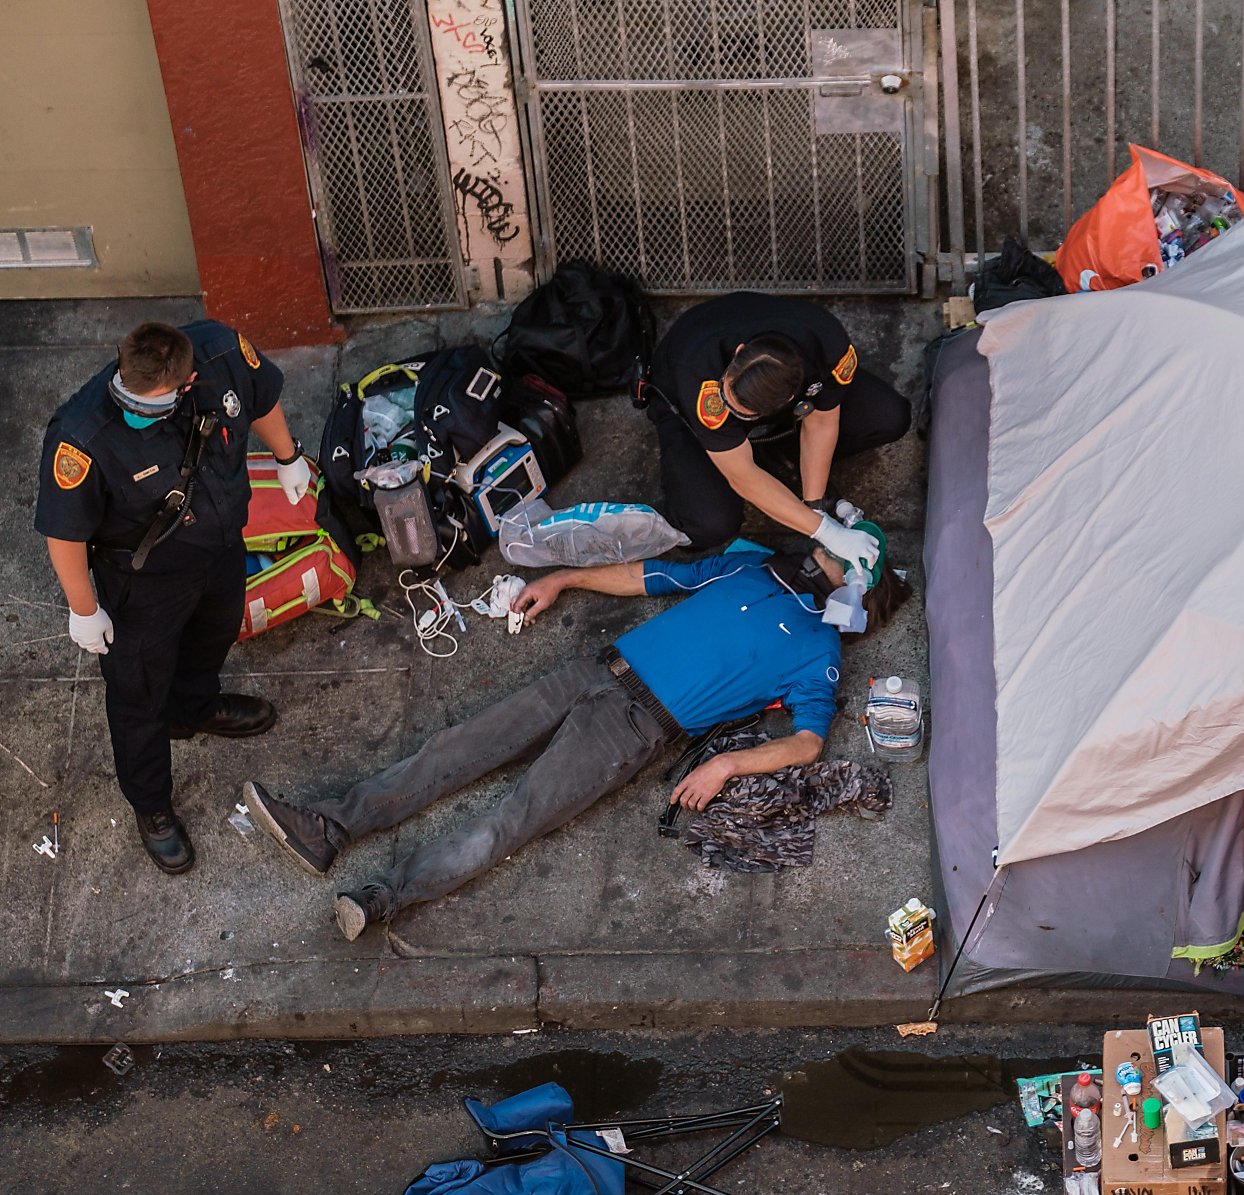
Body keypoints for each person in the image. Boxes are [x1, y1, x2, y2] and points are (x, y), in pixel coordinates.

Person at [239, 530, 910, 940]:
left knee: (509, 819)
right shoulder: (752, 563)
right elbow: (650, 575)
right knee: (456, 750)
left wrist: (728, 767)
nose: (815, 556)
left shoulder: (819, 650)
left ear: (854, 588)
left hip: (634, 726)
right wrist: (563, 577)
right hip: (592, 671)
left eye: (832, 558)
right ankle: (328, 826)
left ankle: (382, 898)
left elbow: (808, 744)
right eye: (822, 545)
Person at [37, 320, 313, 874]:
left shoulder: (220, 354)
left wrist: (288, 457)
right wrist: (84, 609)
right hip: (144, 578)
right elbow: (64, 532)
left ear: (188, 382)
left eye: (153, 404)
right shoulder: (83, 434)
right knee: (138, 693)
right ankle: (152, 806)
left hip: (217, 545)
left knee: (216, 632)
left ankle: (194, 708)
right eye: (129, 398)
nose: (136, 409)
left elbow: (259, 401)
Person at [646, 292, 910, 565]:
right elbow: (743, 476)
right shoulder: (701, 380)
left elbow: (820, 421)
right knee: (711, 523)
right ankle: (747, 460)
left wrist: (814, 506)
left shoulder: (827, 344)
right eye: (728, 398)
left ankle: (776, 456)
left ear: (789, 400)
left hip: (781, 388)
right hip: (681, 393)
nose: (727, 406)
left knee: (889, 416)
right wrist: (825, 532)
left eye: (740, 411)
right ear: (739, 353)